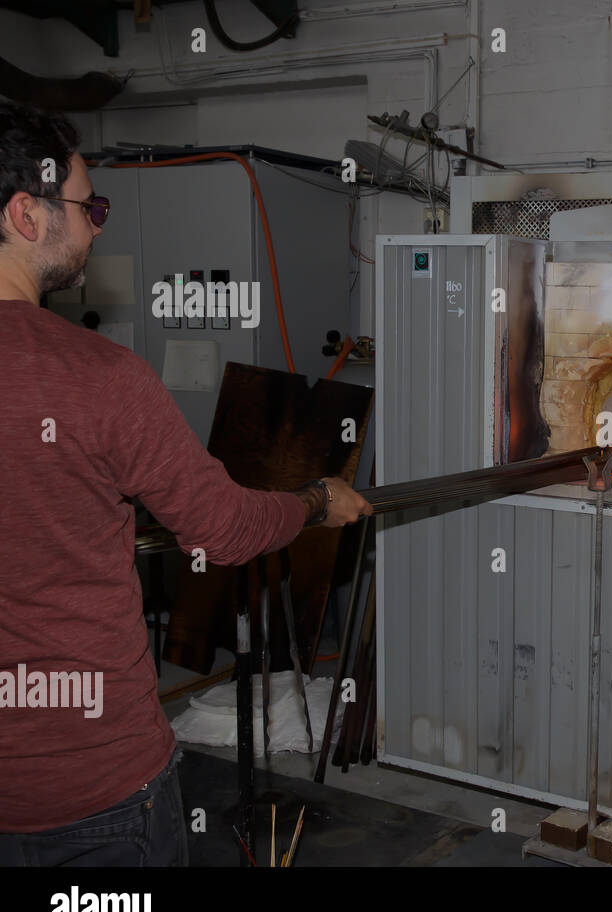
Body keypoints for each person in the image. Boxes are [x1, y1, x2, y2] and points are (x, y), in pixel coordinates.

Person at [0, 100, 373, 865]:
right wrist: (315, 500)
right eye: (87, 204)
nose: (99, 223)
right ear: (25, 215)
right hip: (92, 792)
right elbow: (224, 528)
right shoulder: (98, 378)